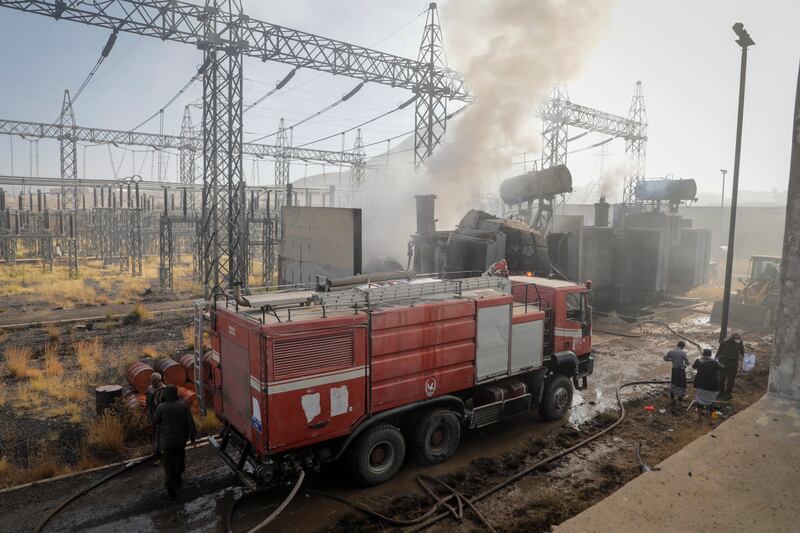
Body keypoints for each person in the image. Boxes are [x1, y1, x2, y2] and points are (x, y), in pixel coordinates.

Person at [153, 384, 197, 498]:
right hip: (180, 441)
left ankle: (170, 489)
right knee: (179, 461)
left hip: (167, 442)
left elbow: (155, 421)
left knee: (168, 466)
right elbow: (190, 422)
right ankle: (178, 480)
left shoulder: (161, 407)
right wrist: (192, 437)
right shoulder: (183, 406)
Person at [692, 348, 724, 414]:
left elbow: (693, 367)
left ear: (703, 354)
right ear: (710, 355)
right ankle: (708, 419)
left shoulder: (698, 361)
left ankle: (699, 418)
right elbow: (722, 368)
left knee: (700, 401)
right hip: (711, 385)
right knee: (710, 401)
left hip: (700, 384)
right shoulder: (714, 362)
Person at [716, 332, 744, 400]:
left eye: (739, 339)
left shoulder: (739, 342)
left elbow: (742, 351)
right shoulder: (725, 341)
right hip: (723, 362)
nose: (738, 340)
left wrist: (747, 357)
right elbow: (719, 350)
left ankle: (727, 394)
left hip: (733, 363)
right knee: (721, 378)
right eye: (737, 338)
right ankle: (720, 392)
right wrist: (715, 358)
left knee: (731, 379)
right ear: (733, 338)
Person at [146, 372, 165, 465]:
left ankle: (158, 455)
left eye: (154, 381)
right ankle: (157, 453)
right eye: (152, 381)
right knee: (155, 435)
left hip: (160, 417)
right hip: (153, 415)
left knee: (159, 435)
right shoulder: (150, 389)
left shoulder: (163, 390)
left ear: (159, 380)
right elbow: (148, 403)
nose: (152, 382)